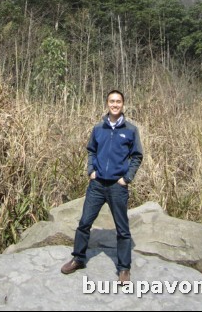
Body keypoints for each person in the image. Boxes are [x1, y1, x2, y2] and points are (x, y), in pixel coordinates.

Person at [61, 89, 143, 284]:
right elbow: (91, 150)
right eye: (111, 101)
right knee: (84, 223)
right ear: (107, 104)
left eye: (118, 102)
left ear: (123, 105)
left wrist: (127, 178)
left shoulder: (130, 130)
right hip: (97, 185)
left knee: (122, 230)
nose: (115, 105)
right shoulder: (99, 129)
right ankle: (78, 258)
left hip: (117, 186)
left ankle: (124, 269)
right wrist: (91, 170)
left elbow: (137, 156)